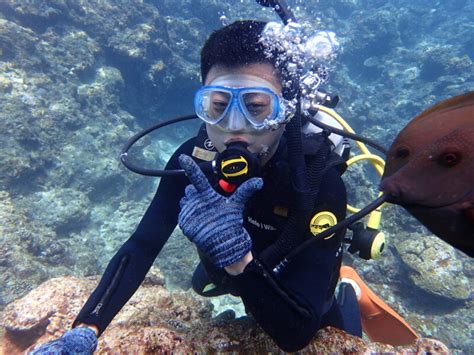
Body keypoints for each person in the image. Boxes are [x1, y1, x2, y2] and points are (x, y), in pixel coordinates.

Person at [31, 20, 386, 354]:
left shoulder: (317, 181)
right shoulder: (192, 161)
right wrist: (85, 328)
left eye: (257, 107)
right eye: (218, 105)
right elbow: (141, 245)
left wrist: (237, 257)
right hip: (234, 272)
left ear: (287, 110)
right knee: (205, 283)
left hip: (296, 288)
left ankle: (350, 291)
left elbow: (296, 334)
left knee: (334, 333)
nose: (234, 126)